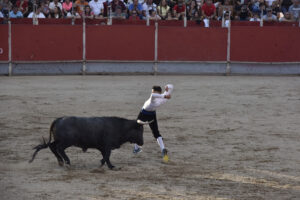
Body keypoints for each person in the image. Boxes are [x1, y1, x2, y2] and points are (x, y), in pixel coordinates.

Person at [134, 84, 174, 162]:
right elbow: (171, 87)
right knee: (156, 133)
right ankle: (163, 148)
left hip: (144, 114)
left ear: (156, 92)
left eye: (153, 91)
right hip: (152, 114)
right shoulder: (163, 98)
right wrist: (168, 88)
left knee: (137, 130)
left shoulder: (154, 98)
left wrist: (165, 94)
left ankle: (136, 148)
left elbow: (153, 95)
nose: (151, 92)